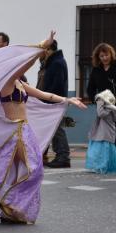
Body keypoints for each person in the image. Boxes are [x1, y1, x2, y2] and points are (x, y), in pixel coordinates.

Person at [0, 31, 86, 224]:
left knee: (18, 170)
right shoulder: (6, 83)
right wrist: (41, 48)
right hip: (13, 133)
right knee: (33, 169)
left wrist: (67, 99)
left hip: (25, 131)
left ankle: (9, 206)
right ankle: (9, 204)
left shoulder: (19, 84)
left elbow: (44, 95)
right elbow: (24, 65)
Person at [43, 40, 71, 168]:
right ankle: (60, 156)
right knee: (55, 129)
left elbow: (58, 84)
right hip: (54, 100)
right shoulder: (55, 61)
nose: (43, 52)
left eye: (45, 49)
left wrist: (48, 98)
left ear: (49, 49)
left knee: (57, 129)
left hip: (55, 101)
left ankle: (63, 157)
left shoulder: (57, 63)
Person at [86, 89, 116, 174]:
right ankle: (101, 166)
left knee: (105, 151)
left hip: (106, 131)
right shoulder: (108, 107)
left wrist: (108, 106)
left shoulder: (108, 108)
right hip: (103, 131)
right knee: (101, 151)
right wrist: (109, 107)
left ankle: (103, 167)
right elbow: (101, 114)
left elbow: (103, 114)